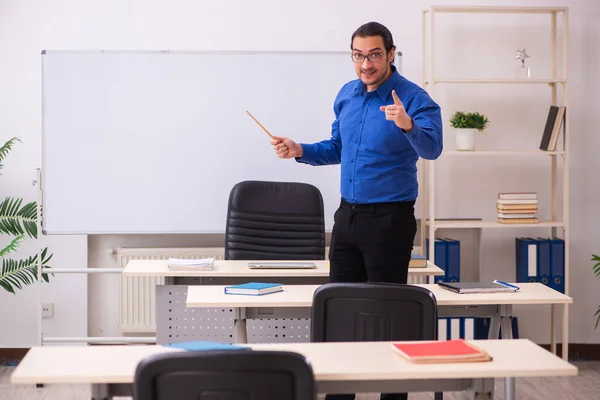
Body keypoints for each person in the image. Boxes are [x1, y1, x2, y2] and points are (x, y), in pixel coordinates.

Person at [271, 22, 443, 400]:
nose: (366, 64)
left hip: (389, 219)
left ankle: (392, 395)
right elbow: (337, 147)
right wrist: (299, 148)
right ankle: (339, 394)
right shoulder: (346, 96)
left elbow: (432, 149)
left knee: (388, 315)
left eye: (374, 55)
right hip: (347, 217)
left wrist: (408, 124)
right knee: (340, 312)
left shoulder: (413, 98)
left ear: (391, 54)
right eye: (358, 55)